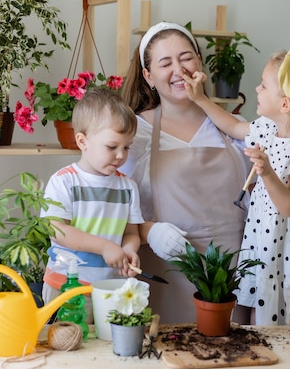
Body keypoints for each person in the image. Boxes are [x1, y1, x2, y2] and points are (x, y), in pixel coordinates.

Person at [183, 43, 290, 326]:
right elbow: (232, 126)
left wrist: (267, 173)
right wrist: (200, 99)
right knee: (262, 306)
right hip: (265, 240)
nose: (256, 89)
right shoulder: (267, 128)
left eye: (263, 85)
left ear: (285, 104)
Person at [120, 21, 252, 324]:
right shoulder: (133, 134)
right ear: (149, 77)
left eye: (186, 58)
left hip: (236, 279)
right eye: (165, 63)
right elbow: (111, 211)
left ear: (200, 62)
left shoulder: (235, 128)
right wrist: (149, 231)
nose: (178, 70)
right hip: (168, 276)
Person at [41, 86, 144, 320]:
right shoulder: (63, 181)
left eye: (126, 147)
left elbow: (131, 232)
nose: (120, 155)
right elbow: (57, 230)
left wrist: (128, 250)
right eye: (112, 147)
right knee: (70, 345)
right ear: (82, 141)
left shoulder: (127, 187)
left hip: (112, 288)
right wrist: (105, 247)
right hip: (68, 286)